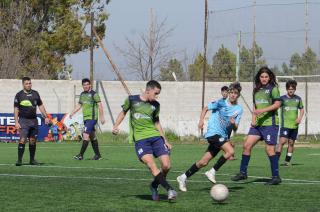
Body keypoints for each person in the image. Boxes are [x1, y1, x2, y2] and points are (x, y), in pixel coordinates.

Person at [112, 80, 177, 201]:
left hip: (155, 137)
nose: (157, 96)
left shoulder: (156, 105)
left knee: (166, 166)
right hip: (141, 139)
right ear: (148, 90)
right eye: (155, 93)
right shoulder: (132, 100)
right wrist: (115, 126)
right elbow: (123, 113)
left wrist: (166, 140)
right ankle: (170, 189)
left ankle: (154, 185)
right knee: (152, 166)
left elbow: (157, 123)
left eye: (158, 94)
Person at [176, 82, 243, 192]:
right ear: (229, 92)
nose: (232, 95)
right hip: (213, 133)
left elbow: (235, 128)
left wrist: (233, 123)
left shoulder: (239, 109)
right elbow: (205, 108)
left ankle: (183, 177)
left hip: (222, 136)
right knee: (230, 151)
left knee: (203, 162)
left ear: (238, 95)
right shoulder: (221, 103)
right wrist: (201, 121)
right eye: (231, 92)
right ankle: (212, 171)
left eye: (235, 93)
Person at [232, 66, 282, 185]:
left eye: (266, 77)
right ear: (259, 77)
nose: (264, 79)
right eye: (262, 76)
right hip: (257, 125)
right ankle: (243, 173)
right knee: (246, 145)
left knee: (269, 149)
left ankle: (276, 176)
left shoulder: (273, 89)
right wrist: (254, 119)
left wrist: (263, 110)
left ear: (269, 78)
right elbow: (255, 106)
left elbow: (278, 104)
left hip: (270, 124)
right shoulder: (256, 90)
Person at [14, 77, 50, 166]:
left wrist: (46, 116)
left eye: (30, 83)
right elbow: (16, 109)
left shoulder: (35, 94)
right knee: (22, 140)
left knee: (32, 140)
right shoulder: (19, 95)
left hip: (34, 120)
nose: (29, 85)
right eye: (26, 83)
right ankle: (19, 160)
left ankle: (32, 160)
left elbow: (41, 106)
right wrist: (16, 122)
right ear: (23, 84)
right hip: (23, 120)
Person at [71, 78, 105, 160]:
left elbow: (100, 105)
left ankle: (80, 155)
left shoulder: (94, 94)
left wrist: (102, 116)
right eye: (84, 85)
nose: (85, 86)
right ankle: (98, 155)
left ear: (90, 85)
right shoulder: (82, 94)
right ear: (82, 86)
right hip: (86, 119)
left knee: (85, 135)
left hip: (92, 118)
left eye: (87, 84)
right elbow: (79, 105)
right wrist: (72, 112)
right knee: (92, 136)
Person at [276, 79, 304, 166]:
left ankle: (287, 161)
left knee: (291, 143)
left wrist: (299, 118)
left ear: (295, 89)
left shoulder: (298, 99)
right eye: (289, 88)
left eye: (292, 88)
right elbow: (275, 107)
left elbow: (302, 109)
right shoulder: (282, 99)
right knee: (282, 141)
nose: (291, 90)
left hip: (294, 126)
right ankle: (275, 160)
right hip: (285, 125)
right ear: (286, 89)